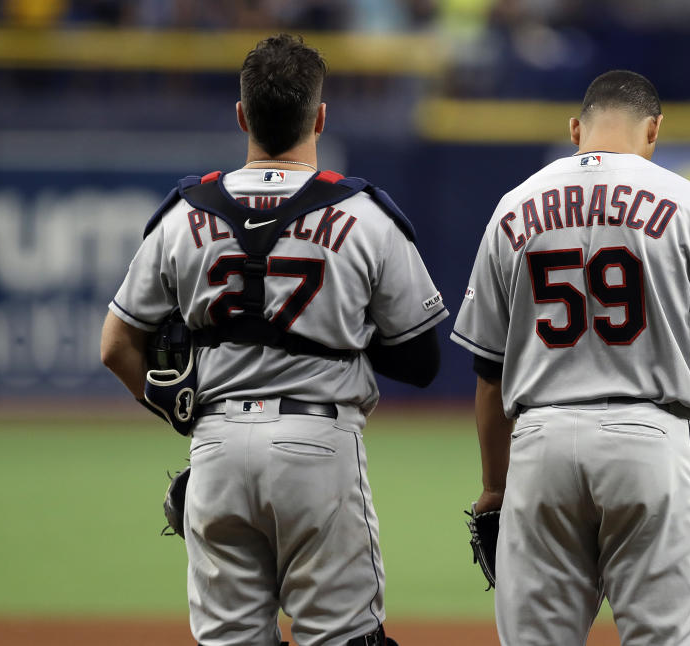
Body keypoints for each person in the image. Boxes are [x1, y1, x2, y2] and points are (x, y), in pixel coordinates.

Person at [100, 34, 448, 646]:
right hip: (319, 445)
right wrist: (341, 328)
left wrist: (180, 411)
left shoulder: (186, 212)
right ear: (319, 117)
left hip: (217, 448)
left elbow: (115, 346)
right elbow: (421, 360)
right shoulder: (364, 214)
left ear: (242, 117)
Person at [451, 70, 690, 646]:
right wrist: (661, 334)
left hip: (539, 445)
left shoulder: (514, 207)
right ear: (654, 131)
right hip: (650, 439)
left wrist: (495, 487)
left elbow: (489, 373)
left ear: (575, 129)